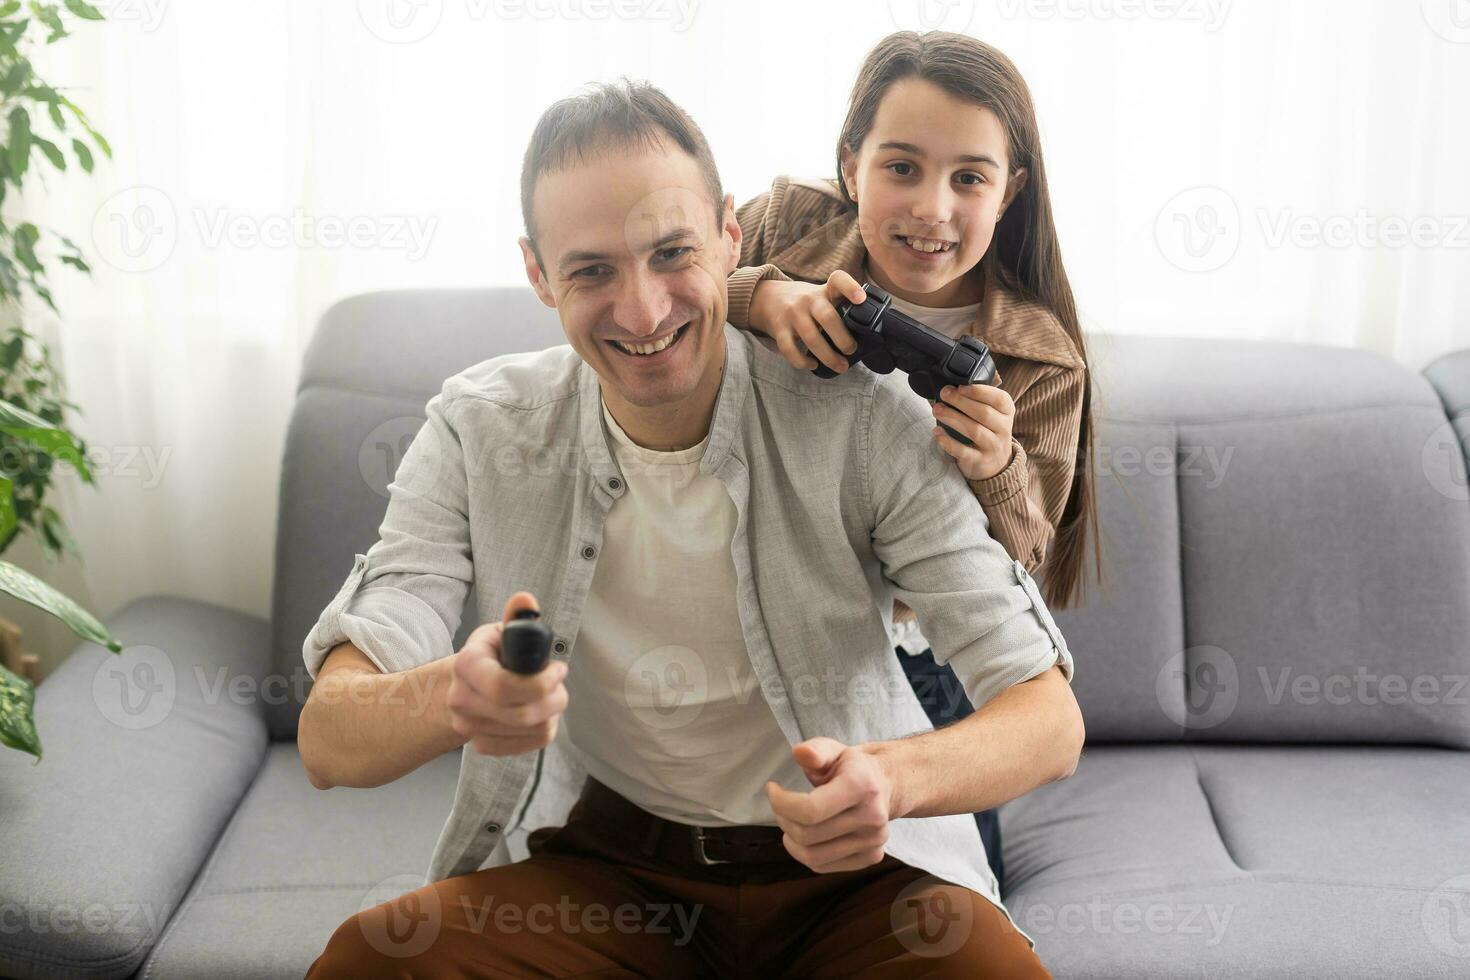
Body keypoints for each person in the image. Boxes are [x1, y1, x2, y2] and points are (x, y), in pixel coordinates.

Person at [298, 78, 1082, 978]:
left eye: (673, 253)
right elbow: (328, 739)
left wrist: (894, 780)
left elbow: (1047, 719)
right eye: (591, 270)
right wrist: (452, 698)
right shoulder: (479, 427)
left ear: (729, 236)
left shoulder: (871, 425)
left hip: (858, 885)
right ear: (537, 273)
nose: (643, 311)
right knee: (370, 962)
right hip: (608, 878)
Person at [725, 30, 1101, 892]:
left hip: (926, 660)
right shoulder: (783, 223)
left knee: (944, 886)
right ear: (851, 163)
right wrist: (764, 294)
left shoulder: (1041, 357)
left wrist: (998, 466)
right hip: (767, 614)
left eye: (968, 177)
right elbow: (667, 303)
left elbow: (1028, 556)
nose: (932, 207)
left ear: (1008, 193)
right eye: (901, 168)